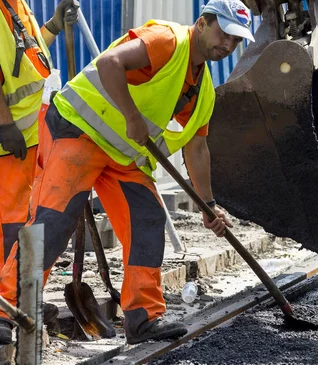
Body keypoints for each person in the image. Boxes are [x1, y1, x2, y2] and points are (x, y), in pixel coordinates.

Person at [0, 0, 254, 345]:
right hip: (79, 131)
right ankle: (7, 309)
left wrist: (208, 205)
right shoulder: (167, 40)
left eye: (235, 41)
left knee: (147, 219)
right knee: (54, 221)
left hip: (121, 155)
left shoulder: (201, 90)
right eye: (223, 33)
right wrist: (132, 117)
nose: (227, 45)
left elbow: (197, 148)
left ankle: (142, 319)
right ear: (203, 22)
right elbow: (110, 62)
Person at [0, 0, 79, 337]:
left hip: (27, 132)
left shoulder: (16, 4)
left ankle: (17, 299)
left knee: (20, 216)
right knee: (12, 221)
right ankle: (7, 305)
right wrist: (4, 124)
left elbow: (26, 60)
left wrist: (53, 27)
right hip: (10, 136)